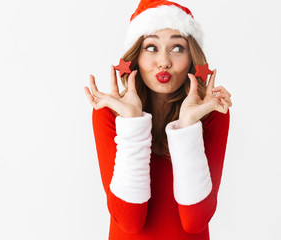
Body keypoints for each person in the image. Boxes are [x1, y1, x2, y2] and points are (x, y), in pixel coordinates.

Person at [84, 0, 232, 239]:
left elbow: (195, 221)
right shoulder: (109, 113)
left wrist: (187, 126)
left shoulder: (212, 114)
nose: (164, 61)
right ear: (136, 57)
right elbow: (130, 221)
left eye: (177, 48)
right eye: (151, 47)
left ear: (192, 59)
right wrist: (131, 122)